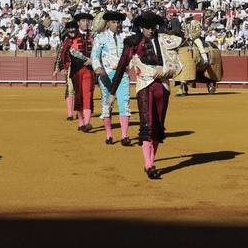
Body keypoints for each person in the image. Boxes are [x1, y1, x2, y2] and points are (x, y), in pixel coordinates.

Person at [111, 11, 184, 180]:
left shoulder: (165, 40)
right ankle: (149, 165)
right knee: (147, 125)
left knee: (158, 127)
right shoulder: (133, 42)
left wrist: (165, 70)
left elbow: (176, 65)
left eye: (153, 27)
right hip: (144, 85)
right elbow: (123, 65)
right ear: (141, 27)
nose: (151, 30)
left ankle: (150, 161)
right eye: (148, 27)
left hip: (163, 86)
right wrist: (113, 91)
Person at [91, 10, 132, 146]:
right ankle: (109, 135)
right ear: (108, 23)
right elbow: (94, 55)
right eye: (114, 22)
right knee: (106, 104)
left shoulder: (125, 37)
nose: (117, 25)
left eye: (118, 22)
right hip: (106, 74)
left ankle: (124, 135)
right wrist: (97, 67)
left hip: (122, 75)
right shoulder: (100, 38)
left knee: (124, 103)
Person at [59, 11, 96, 131]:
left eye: (87, 21)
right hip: (76, 71)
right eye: (83, 21)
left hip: (89, 70)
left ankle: (87, 122)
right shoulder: (72, 36)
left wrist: (93, 61)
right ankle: (81, 122)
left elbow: (100, 53)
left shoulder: (93, 36)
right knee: (79, 95)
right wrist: (65, 66)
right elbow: (64, 52)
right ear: (79, 23)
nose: (86, 23)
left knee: (88, 95)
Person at [54, 20, 79, 120]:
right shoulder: (65, 41)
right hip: (70, 68)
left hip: (82, 68)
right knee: (70, 90)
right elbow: (60, 55)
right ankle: (70, 113)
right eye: (70, 29)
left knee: (79, 90)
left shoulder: (81, 39)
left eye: (73, 28)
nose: (72, 30)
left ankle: (78, 112)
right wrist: (57, 67)